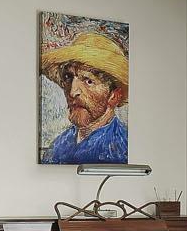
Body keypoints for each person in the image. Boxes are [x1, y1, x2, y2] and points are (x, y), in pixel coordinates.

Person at [39, 30, 129, 163]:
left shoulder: (121, 148)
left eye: (88, 81)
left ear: (114, 96)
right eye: (68, 78)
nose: (72, 92)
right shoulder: (59, 145)